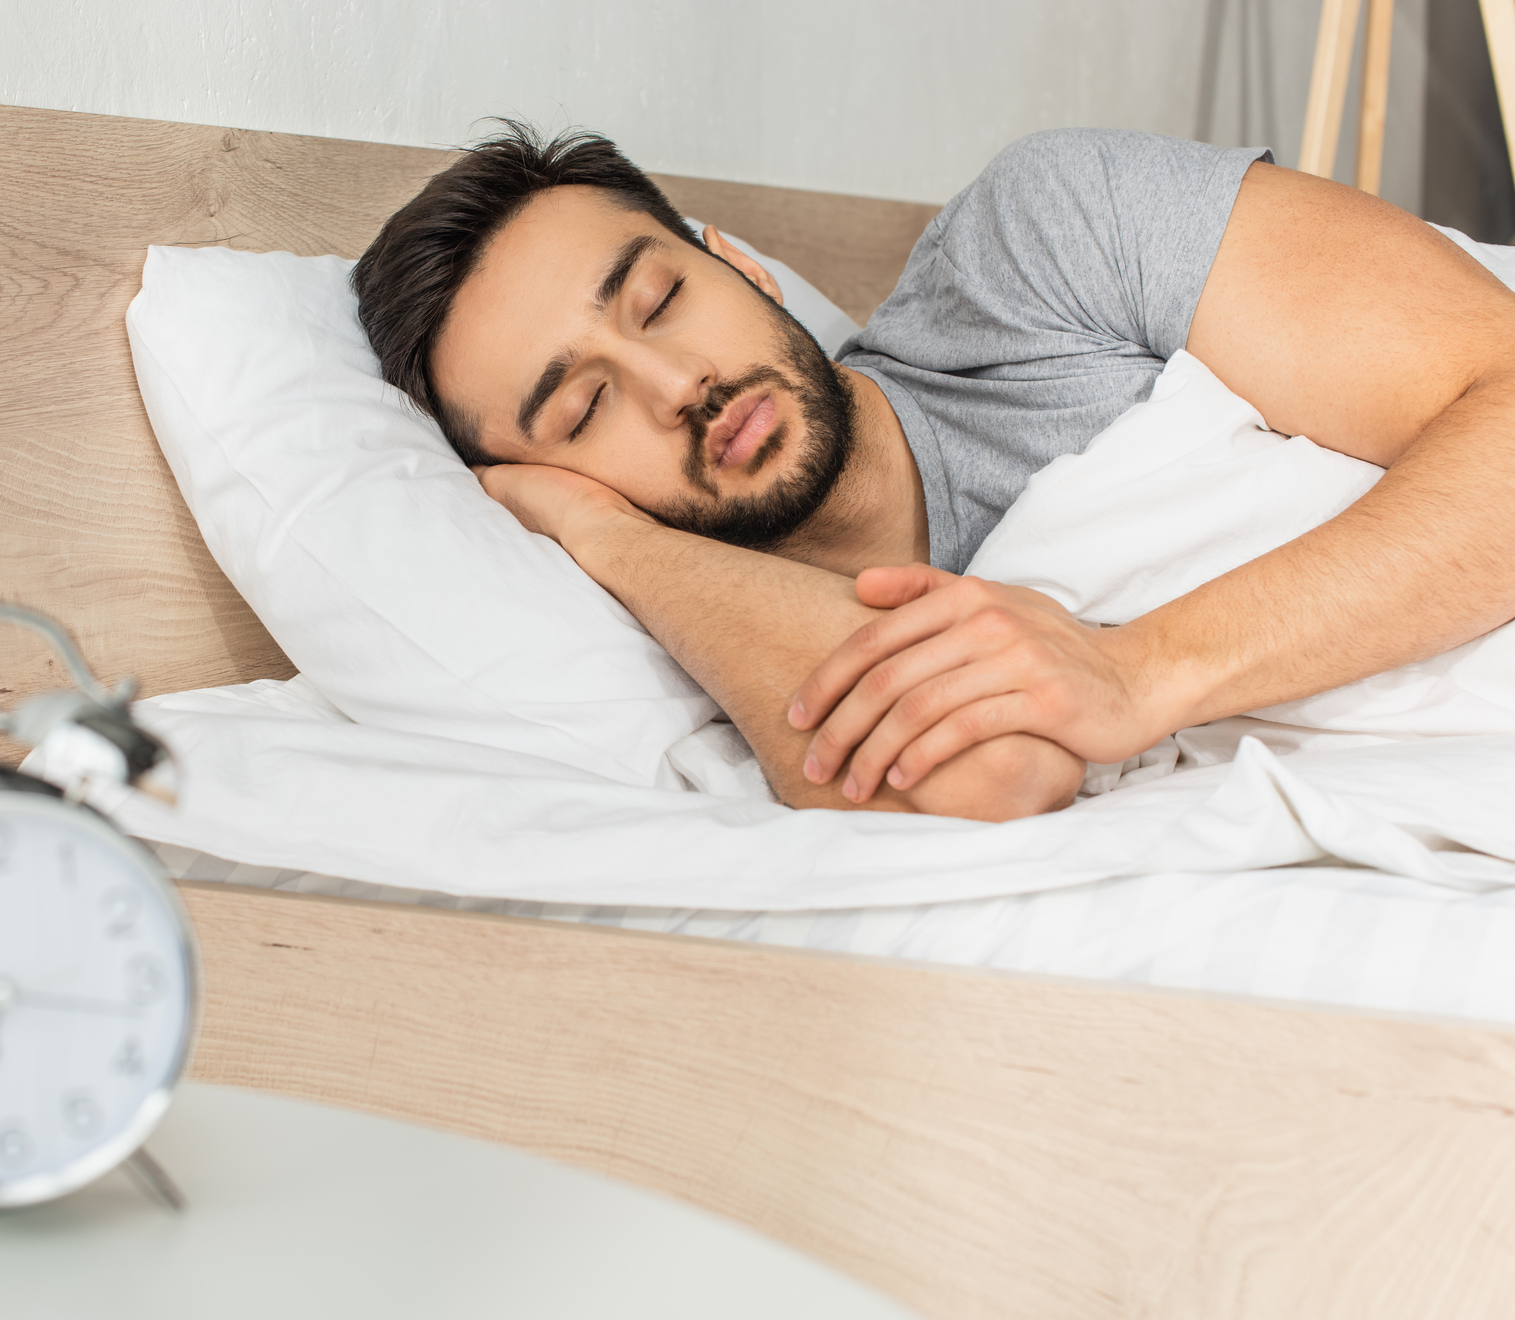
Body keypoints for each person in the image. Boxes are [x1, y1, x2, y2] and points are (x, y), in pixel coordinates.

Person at [349, 123, 1515, 821]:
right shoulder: (720, 638)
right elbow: (989, 783)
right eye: (586, 408)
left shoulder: (1037, 240)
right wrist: (613, 545)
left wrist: (1139, 670)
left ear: (741, 266)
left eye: (659, 302)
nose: (676, 387)